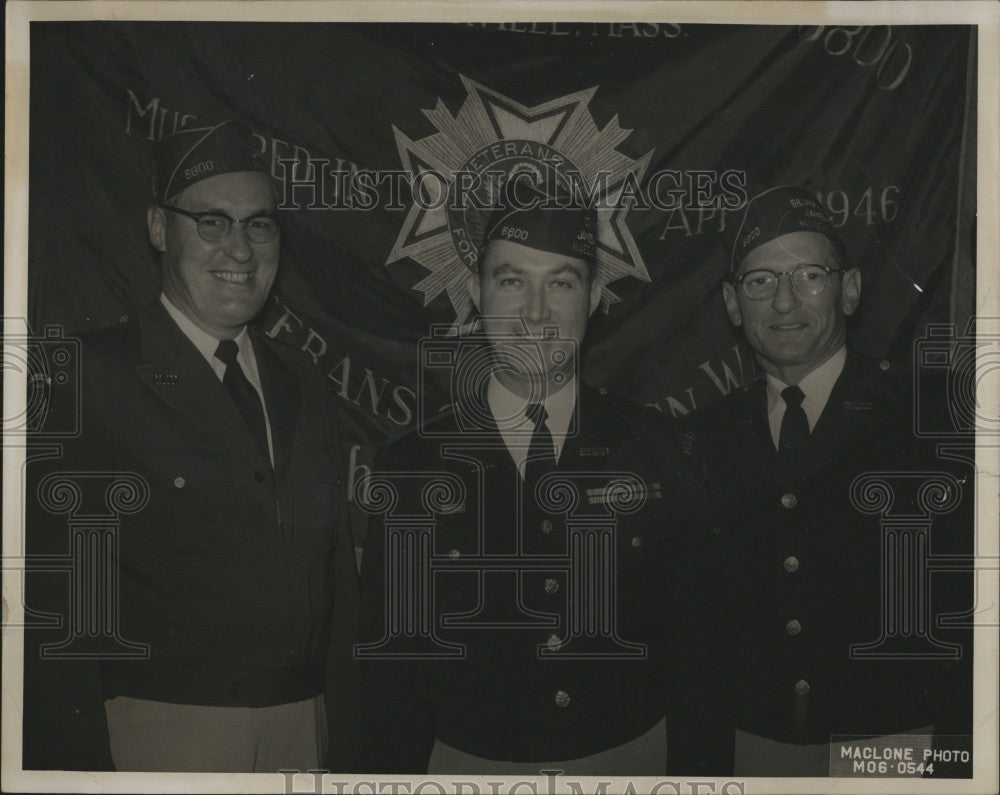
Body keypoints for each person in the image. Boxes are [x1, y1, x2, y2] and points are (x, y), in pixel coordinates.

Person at [23, 120, 356, 772]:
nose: (240, 248)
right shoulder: (91, 375)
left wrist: (351, 747)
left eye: (259, 224)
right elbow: (54, 612)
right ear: (157, 227)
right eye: (211, 222)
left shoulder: (303, 379)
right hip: (160, 734)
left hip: (303, 729)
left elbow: (336, 581)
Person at [358, 190, 696, 774]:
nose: (536, 313)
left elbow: (698, 654)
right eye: (513, 282)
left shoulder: (656, 446)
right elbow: (390, 680)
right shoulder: (411, 466)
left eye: (561, 283)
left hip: (630, 765)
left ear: (592, 299)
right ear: (475, 294)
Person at [678, 185, 973, 776]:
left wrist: (954, 766)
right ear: (734, 306)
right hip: (752, 750)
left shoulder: (934, 420)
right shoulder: (700, 441)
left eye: (810, 274)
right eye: (760, 281)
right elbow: (693, 640)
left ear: (852, 288)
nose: (784, 301)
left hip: (893, 749)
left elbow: (975, 615)